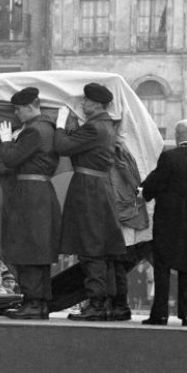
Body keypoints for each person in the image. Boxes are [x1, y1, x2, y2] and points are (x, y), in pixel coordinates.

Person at [54, 83, 125, 321]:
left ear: (96, 104)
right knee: (99, 247)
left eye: (86, 101)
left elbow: (61, 146)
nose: (83, 104)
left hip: (88, 189)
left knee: (90, 247)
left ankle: (95, 303)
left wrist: (60, 124)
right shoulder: (104, 125)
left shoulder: (95, 127)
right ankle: (105, 302)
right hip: (97, 187)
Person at [140, 119, 187, 327]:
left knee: (163, 266)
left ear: (177, 135)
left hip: (167, 219)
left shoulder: (168, 157)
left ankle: (160, 314)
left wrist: (144, 192)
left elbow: (154, 185)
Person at [0, 86, 62, 320]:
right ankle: (40, 302)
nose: (17, 114)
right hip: (41, 192)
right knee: (39, 249)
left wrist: (6, 143)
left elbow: (12, 159)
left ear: (30, 106)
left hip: (29, 194)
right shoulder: (48, 128)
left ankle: (33, 301)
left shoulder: (33, 130)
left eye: (18, 109)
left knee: (27, 248)